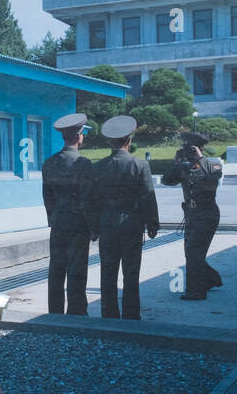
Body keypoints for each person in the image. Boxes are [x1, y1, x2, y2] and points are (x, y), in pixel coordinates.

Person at [86, 115, 159, 320]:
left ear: (110, 141)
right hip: (131, 223)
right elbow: (148, 197)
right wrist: (152, 223)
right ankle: (131, 315)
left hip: (107, 223)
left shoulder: (98, 166)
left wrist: (93, 226)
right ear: (130, 139)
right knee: (131, 272)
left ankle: (109, 314)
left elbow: (90, 200)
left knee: (107, 272)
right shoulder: (140, 165)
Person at [41, 113, 96, 315]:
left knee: (56, 268)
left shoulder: (49, 162)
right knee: (77, 269)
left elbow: (47, 196)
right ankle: (77, 311)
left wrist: (52, 219)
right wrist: (92, 227)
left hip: (58, 222)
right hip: (78, 223)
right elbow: (88, 199)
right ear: (79, 135)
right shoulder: (84, 164)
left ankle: (54, 312)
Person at [161, 130, 223, 301]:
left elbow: (213, 177)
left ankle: (196, 292)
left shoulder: (212, 164)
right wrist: (176, 163)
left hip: (207, 214)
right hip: (191, 214)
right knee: (192, 253)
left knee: (194, 252)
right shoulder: (184, 167)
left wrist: (200, 158)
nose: (188, 153)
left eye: (191, 149)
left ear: (200, 148)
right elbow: (166, 181)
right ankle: (211, 278)